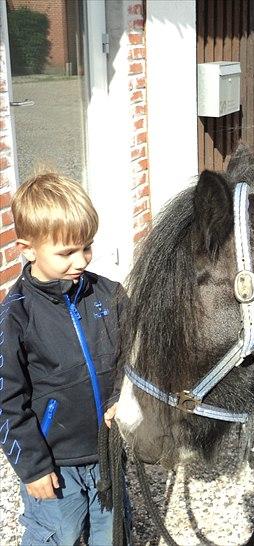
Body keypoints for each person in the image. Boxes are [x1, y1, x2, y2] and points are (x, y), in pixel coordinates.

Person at [0, 173, 127, 545]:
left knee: (112, 533)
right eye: (66, 252)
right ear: (27, 248)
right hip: (56, 463)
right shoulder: (15, 317)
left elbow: (132, 354)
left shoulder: (110, 294)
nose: (81, 260)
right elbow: (6, 402)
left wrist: (120, 396)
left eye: (86, 247)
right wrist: (33, 467)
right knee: (61, 535)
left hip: (107, 452)